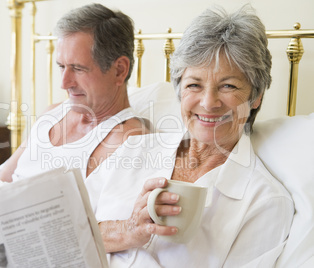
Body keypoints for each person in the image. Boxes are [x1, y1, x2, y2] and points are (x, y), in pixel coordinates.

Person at [84, 5, 294, 267]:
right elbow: (65, 227)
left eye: (228, 86)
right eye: (194, 84)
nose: (208, 103)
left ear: (256, 96)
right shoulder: (135, 148)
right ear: (180, 91)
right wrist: (127, 230)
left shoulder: (264, 202)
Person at [0, 3, 149, 210]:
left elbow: (93, 227)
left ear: (120, 70)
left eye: (78, 68)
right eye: (61, 67)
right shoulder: (52, 114)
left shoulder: (128, 140)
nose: (64, 83)